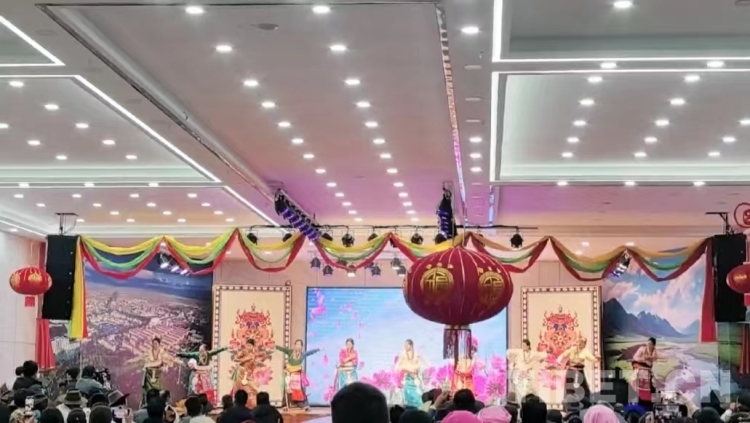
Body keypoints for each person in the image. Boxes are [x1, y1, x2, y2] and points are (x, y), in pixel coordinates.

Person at [275, 339, 320, 409]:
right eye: (297, 344)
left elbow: (310, 352)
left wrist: (318, 349)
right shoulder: (290, 352)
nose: (298, 346)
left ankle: (303, 405)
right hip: (289, 373)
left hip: (297, 375)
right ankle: (287, 404)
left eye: (299, 345)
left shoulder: (302, 354)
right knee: (288, 389)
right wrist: (275, 346)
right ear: (295, 345)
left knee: (299, 389)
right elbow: (282, 349)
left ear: (301, 346)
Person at [631, 338, 662, 404]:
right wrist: (644, 360)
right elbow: (635, 357)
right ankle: (638, 402)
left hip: (648, 371)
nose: (648, 345)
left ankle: (654, 404)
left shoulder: (654, 352)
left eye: (650, 344)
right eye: (648, 343)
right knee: (638, 387)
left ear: (653, 345)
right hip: (640, 371)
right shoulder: (642, 349)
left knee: (654, 386)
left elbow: (657, 359)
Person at [394, 339, 423, 408]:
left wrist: (415, 369)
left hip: (416, 379)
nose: (405, 346)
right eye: (404, 345)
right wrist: (405, 368)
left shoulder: (417, 354)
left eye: (406, 345)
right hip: (407, 379)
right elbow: (397, 367)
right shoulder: (403, 354)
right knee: (408, 395)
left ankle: (420, 410)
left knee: (418, 396)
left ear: (411, 345)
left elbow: (420, 364)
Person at [142, 337, 169, 407]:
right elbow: (145, 362)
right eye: (153, 343)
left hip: (157, 376)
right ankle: (147, 405)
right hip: (149, 375)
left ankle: (157, 406)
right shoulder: (149, 351)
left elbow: (166, 364)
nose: (154, 345)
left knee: (158, 392)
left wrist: (164, 367)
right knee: (148, 392)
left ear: (159, 344)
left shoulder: (162, 352)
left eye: (156, 344)